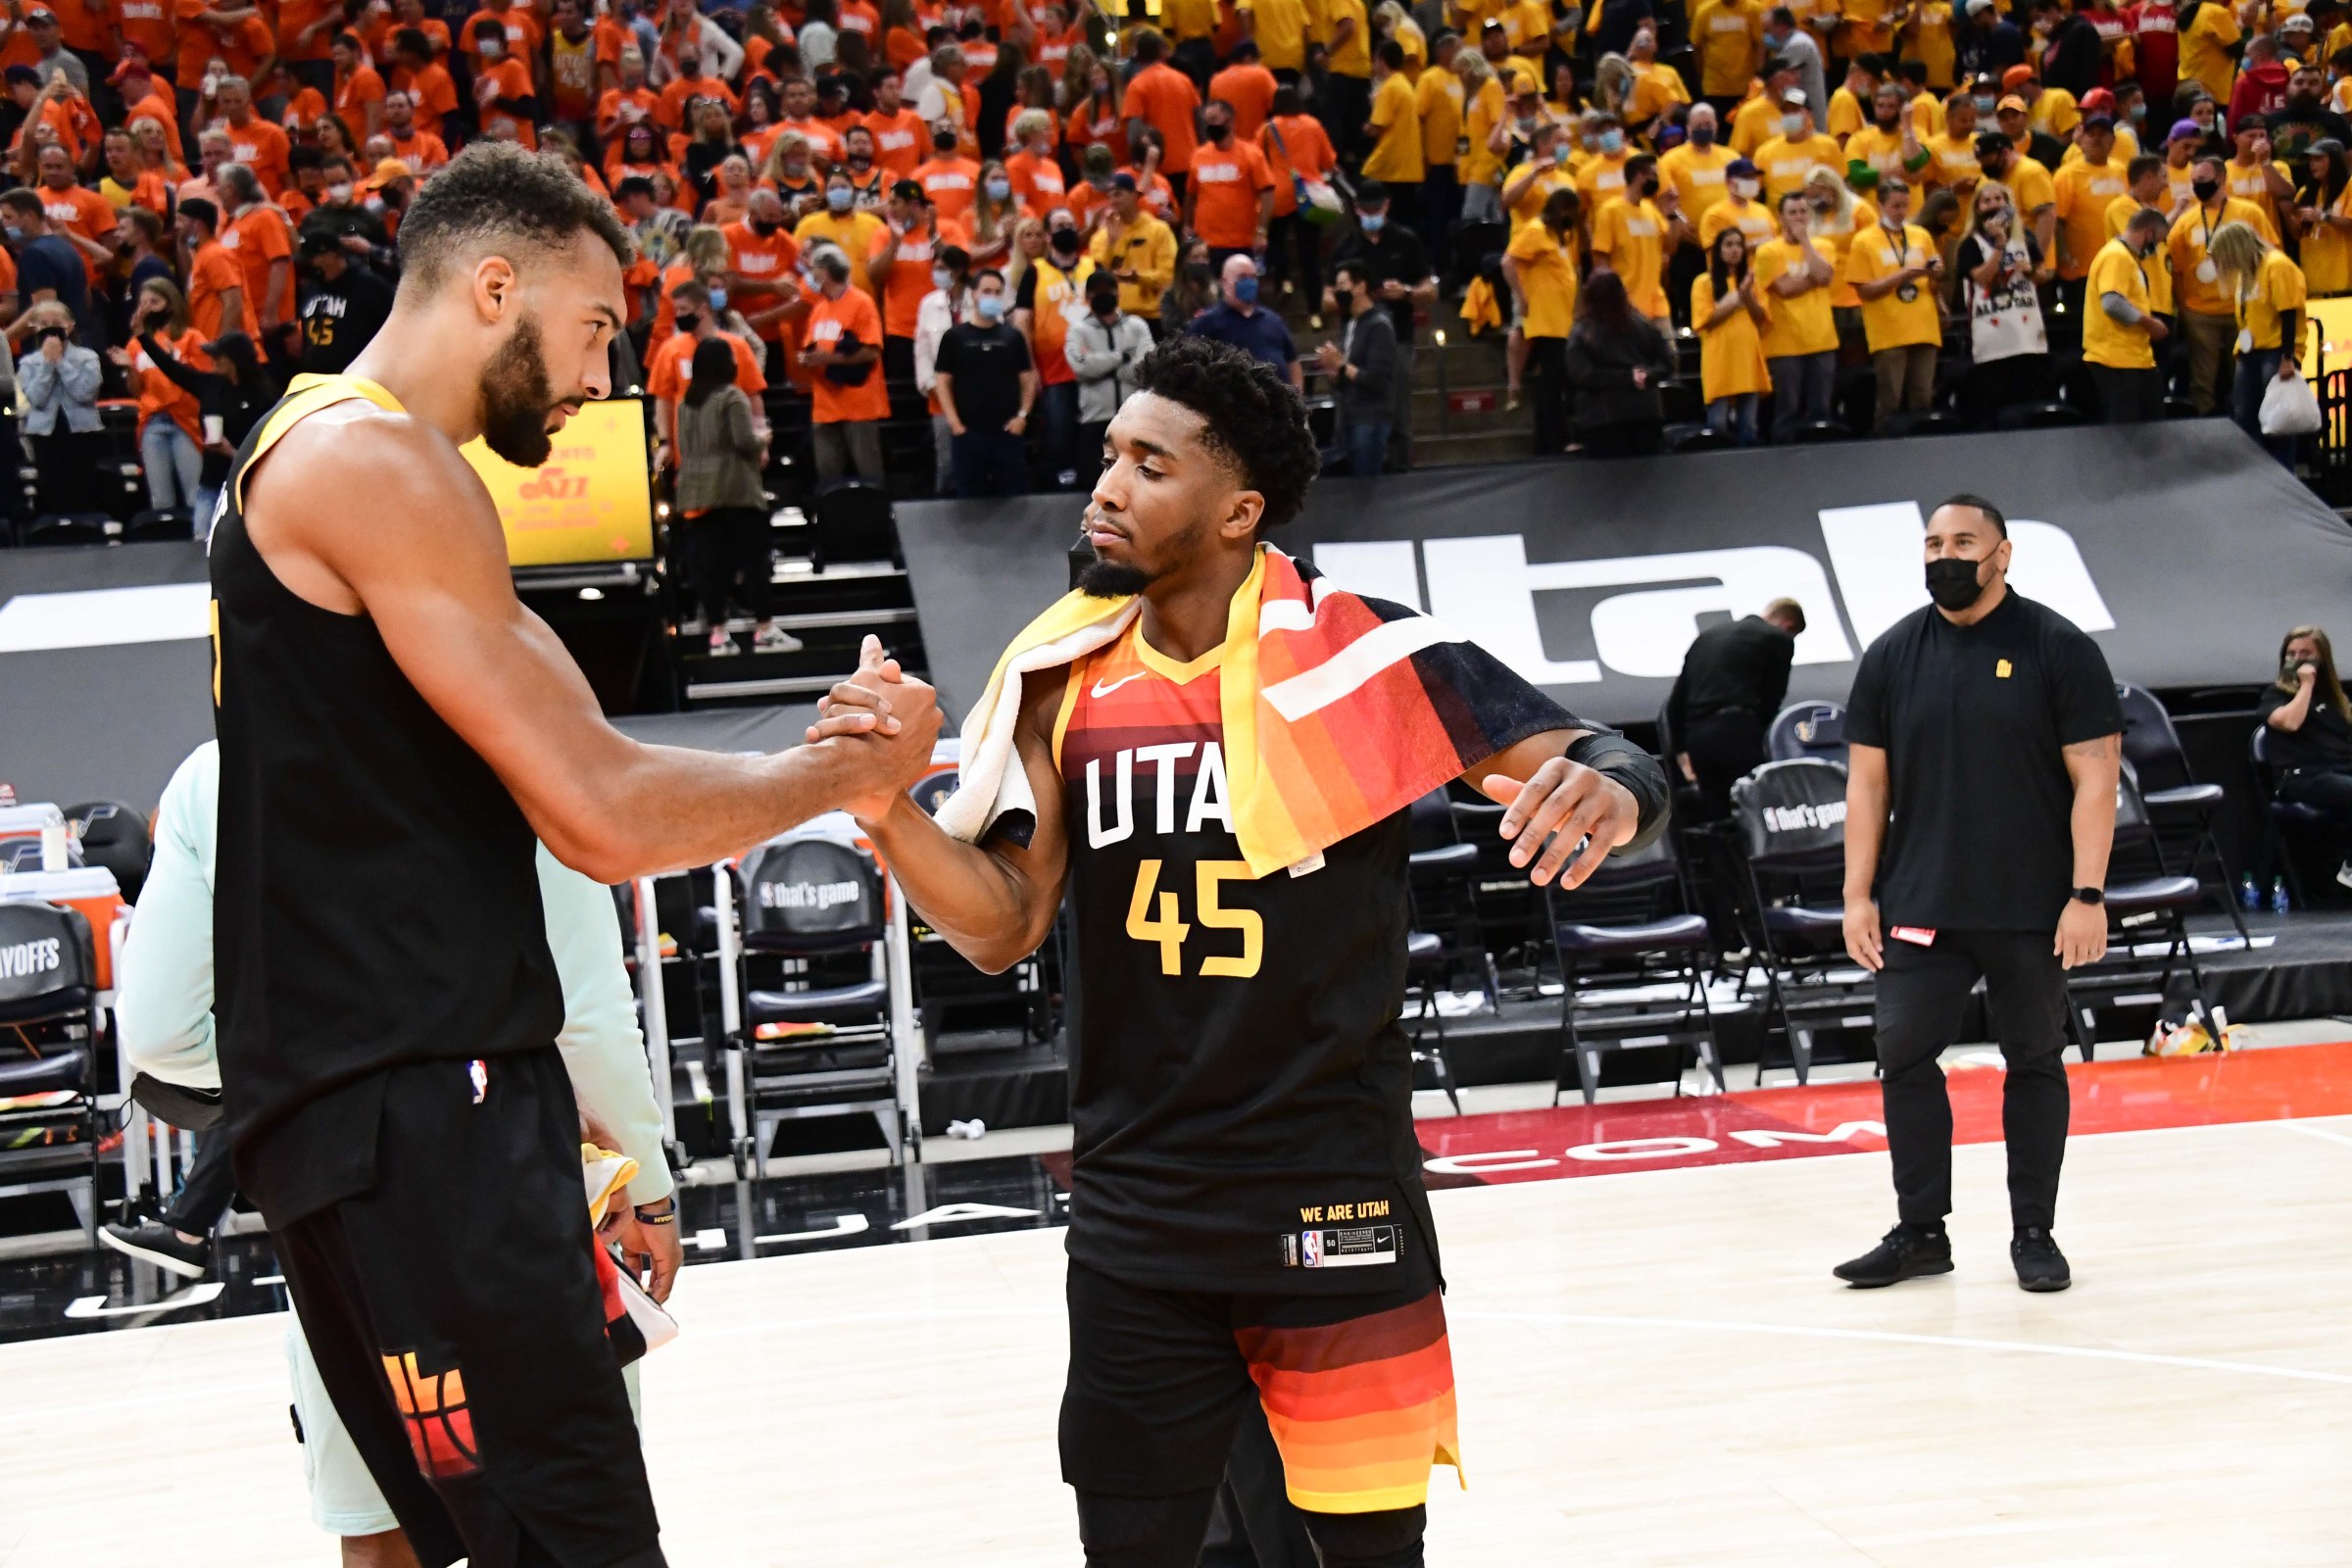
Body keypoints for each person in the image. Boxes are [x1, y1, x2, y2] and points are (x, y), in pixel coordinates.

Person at [812, 331, 1669, 1568]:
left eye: (1149, 465)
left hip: (1333, 1190)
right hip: (1139, 1207)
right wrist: (888, 809)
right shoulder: (1060, 673)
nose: (1106, 486)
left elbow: (1594, 755)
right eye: (1110, 456)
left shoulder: (1370, 654)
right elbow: (1001, 924)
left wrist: (1619, 790)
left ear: (1238, 511)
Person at [208, 142, 942, 1568]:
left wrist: (828, 759)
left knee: (491, 1540)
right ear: (497, 286)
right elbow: (598, 818)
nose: (606, 377)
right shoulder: (375, 462)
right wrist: (845, 776)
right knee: (572, 1539)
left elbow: (603, 761)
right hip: (414, 1100)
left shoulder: (336, 450)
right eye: (597, 327)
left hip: (403, 1099)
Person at [110, 736, 678, 1567]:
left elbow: (160, 1032)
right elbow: (584, 1010)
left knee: (383, 1536)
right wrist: (651, 1187)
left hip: (334, 1199)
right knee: (573, 1522)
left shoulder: (216, 770)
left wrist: (311, 1071)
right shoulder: (509, 739)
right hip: (513, 1178)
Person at [1838, 494, 2122, 1297]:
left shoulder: (2056, 647)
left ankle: (2035, 1232)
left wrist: (2088, 893)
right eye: (1932, 542)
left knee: (2034, 1058)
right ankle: (1922, 1232)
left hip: (2033, 905)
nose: (1945, 556)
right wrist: (1858, 895)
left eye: (1964, 541)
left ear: (2003, 554)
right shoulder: (1893, 654)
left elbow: (2096, 775)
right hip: (1921, 902)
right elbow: (1866, 786)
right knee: (1903, 1057)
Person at [677, 335, 791, 657]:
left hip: (697, 494)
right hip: (737, 492)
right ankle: (765, 629)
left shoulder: (687, 401)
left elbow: (684, 446)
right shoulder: (732, 397)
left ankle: (718, 636)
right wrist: (763, 438)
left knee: (711, 568)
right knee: (754, 562)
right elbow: (744, 442)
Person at [1326, 179, 1437, 468]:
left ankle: (1399, 473)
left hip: (1397, 336)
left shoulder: (1406, 240)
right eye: (1366, 209)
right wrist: (1355, 296)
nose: (1371, 213)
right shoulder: (1346, 247)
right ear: (1356, 209)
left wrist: (1406, 292)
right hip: (1355, 337)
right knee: (1350, 412)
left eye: (1377, 208)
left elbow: (1431, 291)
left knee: (1398, 412)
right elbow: (1326, 300)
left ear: (1387, 206)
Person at [1666, 598, 1806, 818]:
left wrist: (1681, 752)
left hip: (1698, 739)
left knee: (1717, 818)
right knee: (1756, 813)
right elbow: (1772, 697)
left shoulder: (1705, 639)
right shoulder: (1778, 639)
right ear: (1788, 626)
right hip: (1737, 731)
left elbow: (1675, 702)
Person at [1846, 176, 1947, 429]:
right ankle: (1884, 449)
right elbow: (1865, 292)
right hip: (1889, 332)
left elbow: (1934, 282)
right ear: (1880, 205)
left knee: (1923, 397)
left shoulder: (1921, 235)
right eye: (1896, 206)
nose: (1902, 212)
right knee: (1890, 400)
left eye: (1905, 205)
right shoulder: (1864, 241)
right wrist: (1901, 276)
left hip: (1923, 327)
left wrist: (1936, 277)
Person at [1952, 180, 2053, 424]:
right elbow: (1982, 278)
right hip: (1992, 335)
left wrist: (2030, 271)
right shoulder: (1970, 244)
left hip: (2027, 333)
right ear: (1977, 209)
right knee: (1996, 404)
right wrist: (1998, 245)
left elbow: (2043, 275)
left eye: (1998, 199)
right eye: (1986, 201)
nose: (1993, 205)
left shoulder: (2025, 237)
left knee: (2031, 402)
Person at [2260, 625, 2352, 889]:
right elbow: (2290, 722)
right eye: (2291, 653)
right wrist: (2306, 684)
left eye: (2306, 653)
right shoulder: (2275, 696)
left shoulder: (2336, 699)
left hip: (2339, 770)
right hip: (2301, 777)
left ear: (2322, 658)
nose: (2298, 659)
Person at [2209, 219, 2308, 465]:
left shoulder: (2277, 265)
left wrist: (2288, 358)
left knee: (2278, 422)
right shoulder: (2248, 271)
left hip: (2275, 351)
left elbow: (2288, 313)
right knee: (2244, 419)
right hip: (2250, 351)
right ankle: (2255, 475)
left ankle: (2284, 475)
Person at [934, 265, 1037, 496]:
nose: (992, 296)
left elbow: (1028, 379)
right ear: (974, 293)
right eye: (987, 291)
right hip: (968, 434)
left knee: (1013, 498)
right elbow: (942, 381)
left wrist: (1022, 416)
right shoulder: (954, 337)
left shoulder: (1012, 336)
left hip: (1007, 433)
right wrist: (955, 424)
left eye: (998, 292)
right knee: (970, 500)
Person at [117, 279, 208, 517]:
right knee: (160, 499)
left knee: (194, 495)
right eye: (143, 303)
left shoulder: (192, 338)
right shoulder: (136, 345)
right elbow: (137, 392)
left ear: (171, 304)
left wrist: (172, 360)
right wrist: (131, 369)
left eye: (154, 302)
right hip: (152, 421)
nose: (148, 309)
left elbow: (203, 382)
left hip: (186, 421)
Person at [1563, 270, 1677, 458]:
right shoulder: (1642, 324)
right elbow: (1668, 360)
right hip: (1645, 413)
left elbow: (1581, 374)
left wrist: (1624, 378)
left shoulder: (1582, 332)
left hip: (1601, 419)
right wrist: (1645, 375)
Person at [802, 243, 891, 481]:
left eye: (814, 270)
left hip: (857, 405)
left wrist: (830, 358)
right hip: (824, 406)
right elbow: (811, 347)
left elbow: (872, 351)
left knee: (869, 474)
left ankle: (876, 517)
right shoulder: (820, 309)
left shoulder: (861, 303)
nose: (810, 276)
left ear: (825, 271)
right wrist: (806, 359)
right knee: (828, 478)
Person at [1756, 188, 1838, 438]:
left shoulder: (1824, 245)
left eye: (1803, 212)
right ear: (1780, 217)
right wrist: (1814, 278)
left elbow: (1824, 276)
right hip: (1785, 344)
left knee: (1821, 409)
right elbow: (1785, 289)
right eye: (1793, 213)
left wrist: (1805, 242)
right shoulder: (1768, 251)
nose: (1799, 217)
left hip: (1822, 340)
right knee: (1787, 410)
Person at [1505, 184, 1581, 455]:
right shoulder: (1536, 230)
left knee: (1552, 381)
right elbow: (1508, 261)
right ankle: (1559, 439)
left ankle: (1544, 443)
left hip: (1561, 318)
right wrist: (1521, 297)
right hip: (1545, 318)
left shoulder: (1562, 235)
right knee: (1552, 382)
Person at [2084, 205, 2171, 421]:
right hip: (2117, 360)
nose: (2156, 248)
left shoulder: (2127, 257)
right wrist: (2149, 323)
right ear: (2148, 232)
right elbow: (2112, 303)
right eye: (2157, 241)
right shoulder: (2117, 256)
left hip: (2133, 358)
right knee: (2127, 433)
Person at [18, 299, 101, 516]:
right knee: (53, 488)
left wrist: (61, 363)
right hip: (45, 433)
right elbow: (36, 398)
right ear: (36, 328)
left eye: (57, 322)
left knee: (83, 488)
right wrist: (47, 364)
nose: (51, 327)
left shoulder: (88, 357)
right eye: (44, 323)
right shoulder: (29, 363)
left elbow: (85, 393)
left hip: (81, 432)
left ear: (70, 325)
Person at [1315, 256, 1396, 475]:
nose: (1337, 292)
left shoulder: (1379, 325)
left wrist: (1341, 365)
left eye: (1342, 286)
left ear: (1360, 287)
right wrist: (1334, 371)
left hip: (1371, 418)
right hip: (1350, 416)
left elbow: (1376, 379)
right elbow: (1346, 374)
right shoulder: (1351, 323)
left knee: (1367, 483)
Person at [1691, 224, 1773, 445]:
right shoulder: (1703, 283)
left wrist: (1747, 297)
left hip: (1747, 359)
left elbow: (1761, 319)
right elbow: (1706, 321)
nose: (1735, 249)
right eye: (1728, 245)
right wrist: (1737, 298)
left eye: (1739, 245)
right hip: (1719, 359)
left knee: (1749, 426)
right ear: (1718, 250)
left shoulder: (1752, 283)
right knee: (1717, 424)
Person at [1067, 268, 1153, 458]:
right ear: (1088, 297)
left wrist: (1103, 369)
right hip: (1095, 418)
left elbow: (1147, 370)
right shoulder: (1078, 330)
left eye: (1108, 290)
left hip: (1135, 417)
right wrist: (1121, 358)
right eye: (1097, 292)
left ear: (1118, 293)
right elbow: (1081, 367)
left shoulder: (1137, 326)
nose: (1103, 295)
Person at [1189, 252, 1301, 387]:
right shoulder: (1207, 322)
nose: (1249, 282)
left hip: (1278, 404)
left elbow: (1293, 362)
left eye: (1253, 277)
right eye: (1242, 277)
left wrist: (1297, 398)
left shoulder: (1273, 320)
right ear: (1224, 283)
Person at [295, 228, 397, 374]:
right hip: (317, 378)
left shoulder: (369, 285)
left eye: (312, 258)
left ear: (331, 254)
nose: (309, 264)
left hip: (359, 376)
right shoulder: (312, 288)